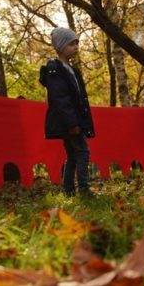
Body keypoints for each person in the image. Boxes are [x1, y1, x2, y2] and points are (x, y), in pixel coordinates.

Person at [40, 27, 95, 196]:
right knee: (82, 153)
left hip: (74, 120)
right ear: (61, 47)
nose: (76, 47)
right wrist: (72, 123)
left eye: (77, 43)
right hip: (69, 122)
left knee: (72, 156)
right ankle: (84, 189)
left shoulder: (72, 70)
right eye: (72, 44)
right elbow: (60, 99)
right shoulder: (55, 70)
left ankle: (69, 190)